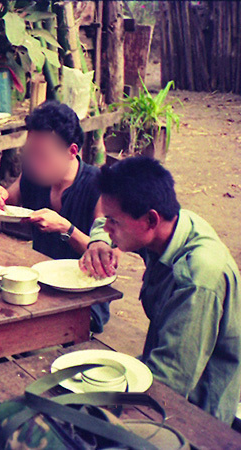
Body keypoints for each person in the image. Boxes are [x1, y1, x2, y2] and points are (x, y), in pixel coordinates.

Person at [80, 157, 241, 424]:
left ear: (150, 220)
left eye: (114, 223)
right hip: (160, 372)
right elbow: (103, 223)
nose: (107, 228)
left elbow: (171, 381)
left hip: (195, 413)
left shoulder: (198, 278)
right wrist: (97, 241)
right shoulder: (170, 224)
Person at [0, 102, 117, 333]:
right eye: (31, 153)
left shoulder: (98, 186)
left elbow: (107, 258)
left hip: (84, 300)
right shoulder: (35, 175)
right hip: (39, 285)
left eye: (43, 155)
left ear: (72, 151)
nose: (34, 162)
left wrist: (67, 229)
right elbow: (10, 200)